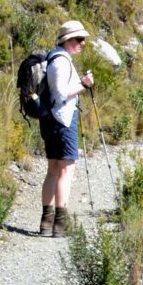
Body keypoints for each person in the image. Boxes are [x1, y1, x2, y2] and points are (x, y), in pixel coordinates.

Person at [38, 20, 96, 237]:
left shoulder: (54, 57)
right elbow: (61, 93)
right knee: (66, 170)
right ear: (67, 40)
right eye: (78, 40)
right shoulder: (61, 62)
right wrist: (84, 85)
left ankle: (46, 222)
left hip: (51, 120)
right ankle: (60, 224)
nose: (82, 43)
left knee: (53, 170)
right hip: (62, 120)